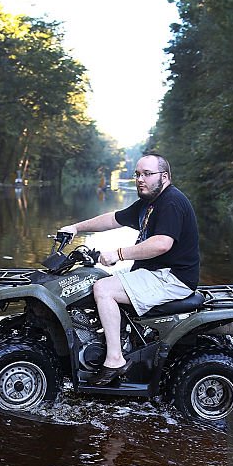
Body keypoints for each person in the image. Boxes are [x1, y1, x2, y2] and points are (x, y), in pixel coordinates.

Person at [58, 153, 200, 385]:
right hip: (154, 273)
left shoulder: (171, 202)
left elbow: (162, 244)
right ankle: (116, 342)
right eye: (137, 174)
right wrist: (75, 228)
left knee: (104, 289)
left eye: (147, 174)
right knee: (92, 282)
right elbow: (113, 219)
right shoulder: (149, 203)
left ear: (164, 176)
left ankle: (115, 359)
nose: (140, 179)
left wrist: (118, 253)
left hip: (171, 278)